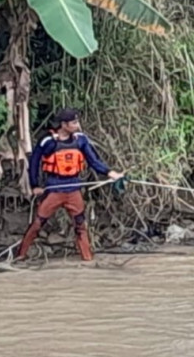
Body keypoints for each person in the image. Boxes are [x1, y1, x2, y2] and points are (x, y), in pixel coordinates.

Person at [16, 108, 124, 262]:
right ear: (64, 124)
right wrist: (35, 186)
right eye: (74, 122)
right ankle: (20, 255)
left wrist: (110, 173)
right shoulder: (48, 141)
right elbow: (34, 163)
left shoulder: (81, 140)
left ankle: (87, 259)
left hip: (73, 189)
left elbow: (93, 161)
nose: (77, 125)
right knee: (38, 223)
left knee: (80, 225)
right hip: (54, 189)